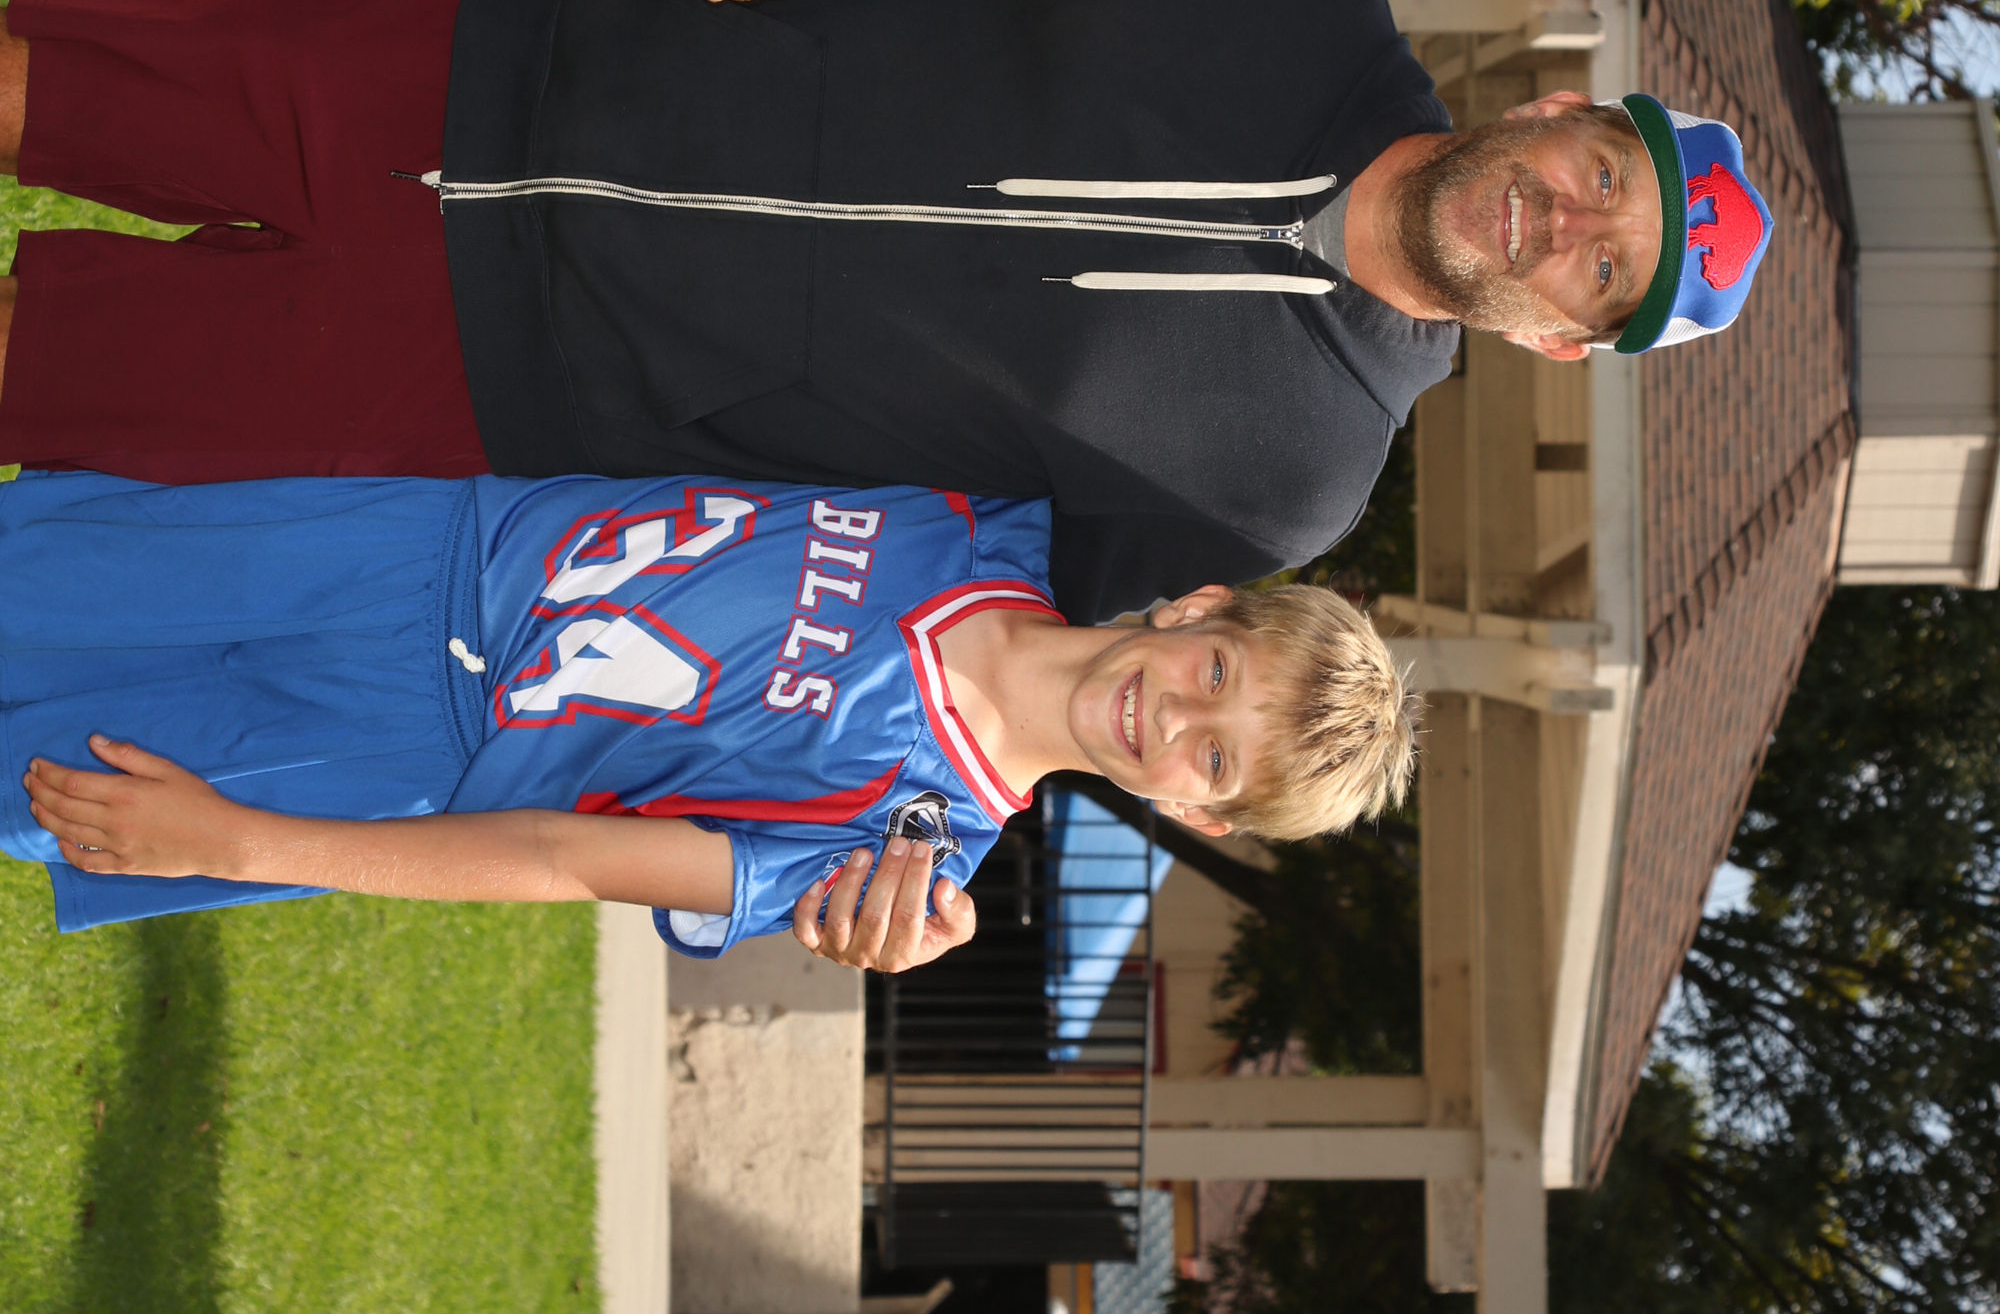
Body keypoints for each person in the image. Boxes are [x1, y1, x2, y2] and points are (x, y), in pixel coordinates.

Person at [0, 0, 1774, 619]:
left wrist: (898, 851)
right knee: (38, 86)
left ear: (1561, 341)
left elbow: (970, 638)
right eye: (1598, 175)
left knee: (36, 376)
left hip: (497, 379)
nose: (1565, 225)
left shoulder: (1283, 492)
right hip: (513, 60)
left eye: (1601, 275)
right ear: (1561, 109)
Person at [2, 470, 1414, 974]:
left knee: (37, 775)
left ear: (1192, 811)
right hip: (406, 540)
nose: (1175, 711)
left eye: (1213, 755)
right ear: (1199, 608)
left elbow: (562, 858)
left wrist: (240, 845)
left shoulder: (898, 859)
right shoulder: (996, 514)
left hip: (398, 746)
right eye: (1215, 671)